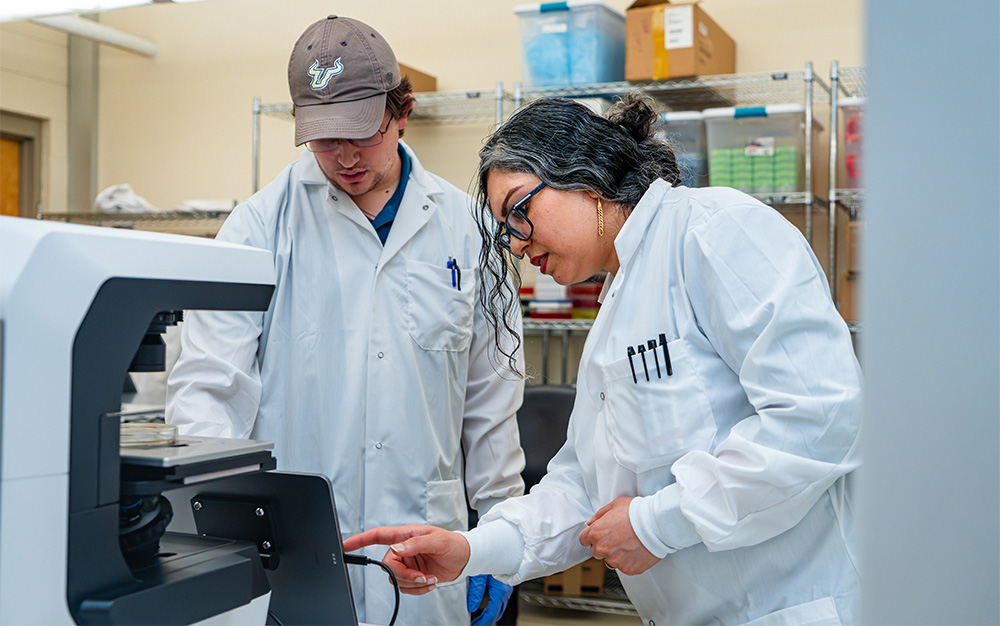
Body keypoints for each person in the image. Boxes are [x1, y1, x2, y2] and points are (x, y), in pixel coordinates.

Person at [343, 94, 864, 626]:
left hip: (791, 606)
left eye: (520, 209)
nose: (517, 246)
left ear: (588, 176)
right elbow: (583, 490)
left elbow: (820, 418)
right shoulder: (618, 301)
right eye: (506, 230)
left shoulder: (714, 232)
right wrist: (471, 550)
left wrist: (657, 524)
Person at [166, 16, 525, 626]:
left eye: (362, 132)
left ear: (401, 110)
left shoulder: (470, 231)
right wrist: (215, 533)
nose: (347, 156)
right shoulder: (257, 229)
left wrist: (499, 537)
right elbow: (208, 391)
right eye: (326, 139)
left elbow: (490, 404)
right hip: (292, 551)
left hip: (424, 552)